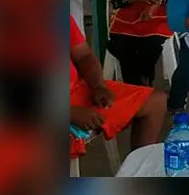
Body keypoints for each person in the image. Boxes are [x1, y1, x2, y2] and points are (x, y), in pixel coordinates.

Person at [70, 17, 167, 159]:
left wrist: (99, 86)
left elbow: (83, 55)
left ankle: (138, 171)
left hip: (77, 89)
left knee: (155, 102)